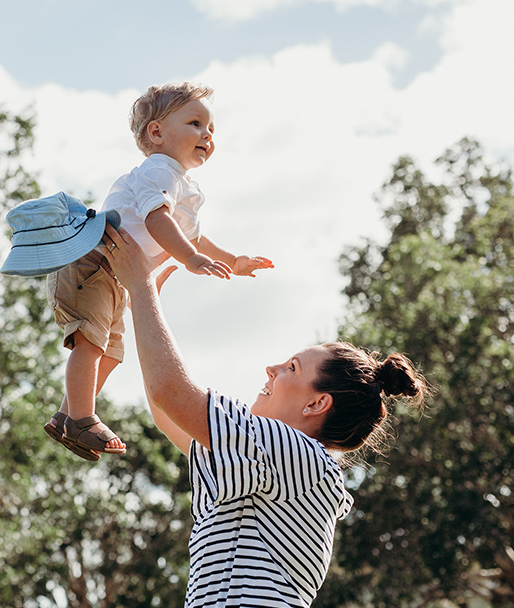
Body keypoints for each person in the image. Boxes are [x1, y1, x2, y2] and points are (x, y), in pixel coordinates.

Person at [101, 224, 429, 607]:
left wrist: (140, 288)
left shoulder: (300, 454)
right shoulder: (270, 460)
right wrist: (145, 301)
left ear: (316, 404)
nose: (271, 368)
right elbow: (165, 410)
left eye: (291, 367)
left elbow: (170, 394)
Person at [44, 82, 274, 461]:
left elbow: (195, 238)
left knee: (112, 352)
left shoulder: (183, 185)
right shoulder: (159, 171)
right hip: (93, 263)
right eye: (196, 123)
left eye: (211, 129)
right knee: (91, 343)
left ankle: (68, 414)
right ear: (156, 132)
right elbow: (157, 220)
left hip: (116, 275)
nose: (207, 135)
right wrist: (188, 258)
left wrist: (234, 261)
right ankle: (82, 417)